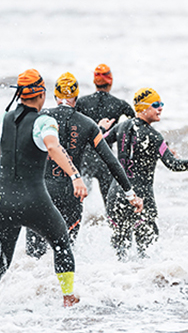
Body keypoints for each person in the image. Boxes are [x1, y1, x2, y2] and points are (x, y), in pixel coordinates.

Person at [0, 69, 85, 306]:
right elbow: (54, 148)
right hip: (35, 202)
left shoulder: (3, 119)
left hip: (1, 202)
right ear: (41, 95)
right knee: (61, 244)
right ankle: (68, 297)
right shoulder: (44, 121)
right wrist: (75, 175)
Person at [23, 73, 144, 258]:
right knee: (64, 253)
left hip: (41, 192)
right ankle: (66, 287)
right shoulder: (87, 124)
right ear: (76, 97)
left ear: (55, 96)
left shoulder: (40, 117)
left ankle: (34, 286)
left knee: (34, 256)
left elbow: (12, 132)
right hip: (71, 195)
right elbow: (111, 161)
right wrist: (130, 193)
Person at [106, 87, 188, 259]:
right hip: (141, 198)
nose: (161, 108)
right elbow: (174, 165)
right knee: (147, 254)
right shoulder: (155, 136)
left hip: (117, 195)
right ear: (143, 108)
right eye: (156, 104)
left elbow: (99, 142)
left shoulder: (121, 126)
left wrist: (100, 128)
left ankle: (117, 284)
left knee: (120, 254)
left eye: (161, 104)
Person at [76, 64, 137, 209]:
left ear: (94, 82)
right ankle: (111, 227)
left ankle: (79, 227)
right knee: (110, 203)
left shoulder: (81, 103)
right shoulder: (119, 104)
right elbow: (136, 126)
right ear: (110, 81)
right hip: (105, 158)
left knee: (79, 199)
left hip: (85, 158)